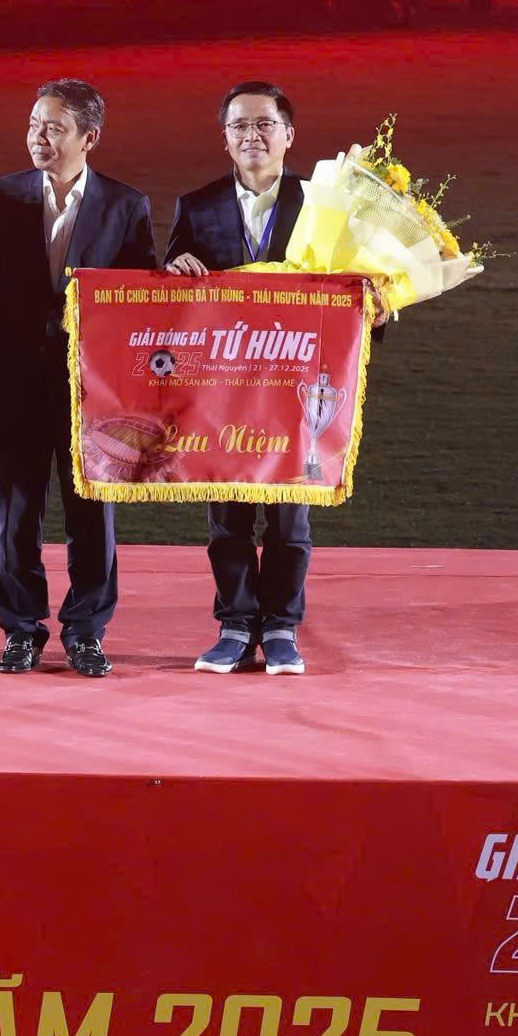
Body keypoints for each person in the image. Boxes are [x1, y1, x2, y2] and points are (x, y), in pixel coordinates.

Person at [0, 78, 156, 677]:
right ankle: (21, 630)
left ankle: (86, 631)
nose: (38, 137)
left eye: (54, 128)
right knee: (15, 516)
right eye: (34, 125)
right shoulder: (3, 195)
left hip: (92, 392)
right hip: (13, 384)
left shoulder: (126, 206)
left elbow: (138, 308)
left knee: (91, 513)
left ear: (89, 137)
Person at [163, 80, 357, 677]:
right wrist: (172, 270)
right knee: (228, 514)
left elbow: (350, 286)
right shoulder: (196, 207)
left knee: (290, 514)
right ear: (224, 138)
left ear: (289, 135)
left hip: (297, 390)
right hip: (223, 392)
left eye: (264, 124)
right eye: (239, 125)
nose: (252, 135)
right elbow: (167, 300)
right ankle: (234, 625)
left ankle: (280, 628)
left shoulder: (321, 205)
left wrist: (372, 304)